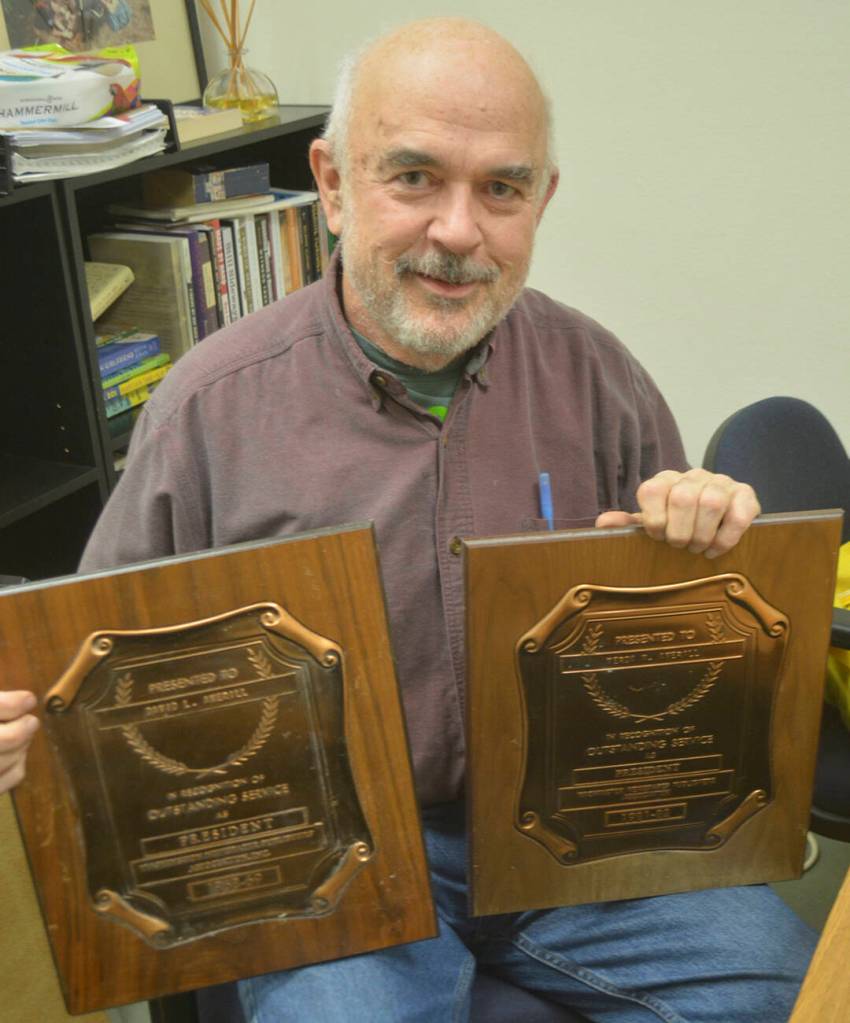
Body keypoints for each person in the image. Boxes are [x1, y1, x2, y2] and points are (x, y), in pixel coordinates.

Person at [1, 17, 817, 1022]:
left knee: (793, 991)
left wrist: (709, 537)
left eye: (502, 188)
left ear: (541, 201)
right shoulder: (209, 409)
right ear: (334, 184)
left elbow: (684, 656)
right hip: (332, 855)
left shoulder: (599, 377)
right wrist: (25, 732)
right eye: (415, 177)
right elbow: (90, 679)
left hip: (574, 828)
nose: (458, 231)